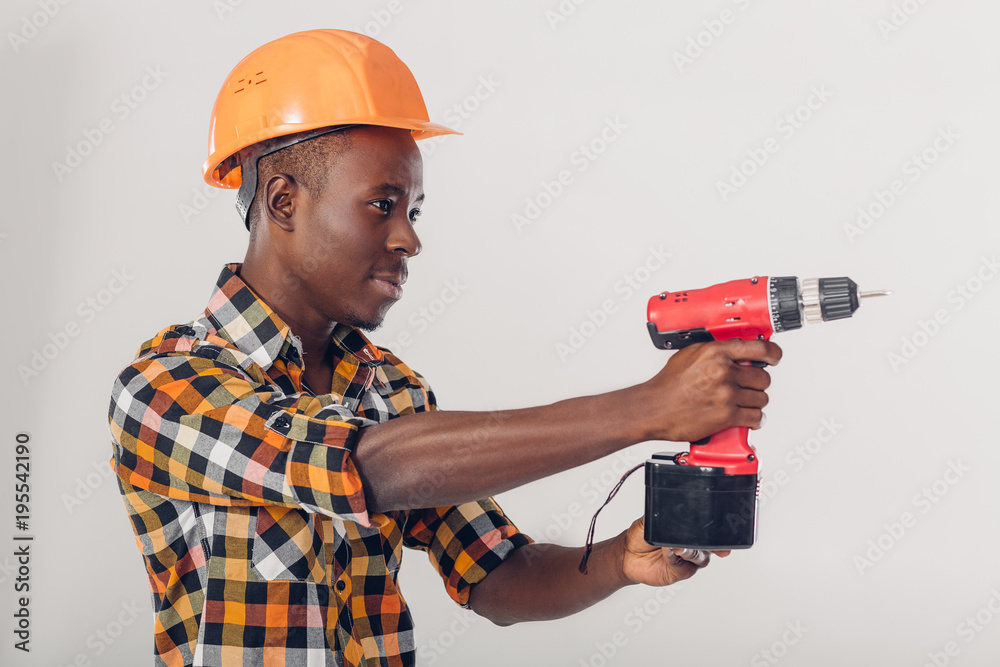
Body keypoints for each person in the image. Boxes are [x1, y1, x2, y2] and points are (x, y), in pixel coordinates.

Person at [107, 29, 781, 667]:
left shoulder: (391, 390)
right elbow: (364, 467)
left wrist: (619, 559)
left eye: (415, 211)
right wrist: (649, 408)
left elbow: (496, 572)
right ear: (284, 200)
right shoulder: (166, 386)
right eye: (383, 204)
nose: (409, 238)